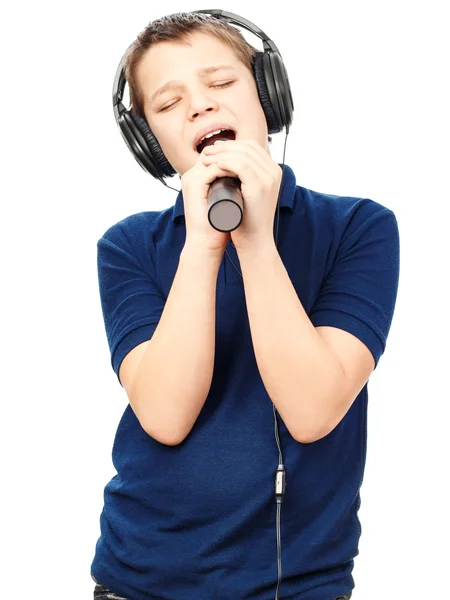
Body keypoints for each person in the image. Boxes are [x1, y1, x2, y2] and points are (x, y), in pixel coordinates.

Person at [90, 10, 400, 600]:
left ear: (268, 95)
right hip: (140, 581)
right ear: (149, 140)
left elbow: (312, 410)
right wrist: (205, 243)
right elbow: (164, 413)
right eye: (167, 102)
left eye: (221, 83)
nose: (200, 107)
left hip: (300, 586)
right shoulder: (128, 246)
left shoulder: (357, 228)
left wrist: (255, 240)